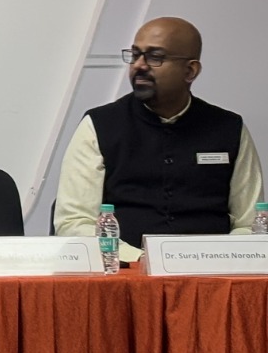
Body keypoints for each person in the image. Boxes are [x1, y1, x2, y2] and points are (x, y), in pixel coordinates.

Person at [54, 16, 264, 261]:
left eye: (155, 57)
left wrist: (214, 258)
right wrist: (141, 259)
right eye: (135, 55)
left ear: (190, 70)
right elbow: (75, 222)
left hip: (211, 270)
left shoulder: (229, 128)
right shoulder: (99, 125)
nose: (139, 66)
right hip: (126, 269)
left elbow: (250, 223)